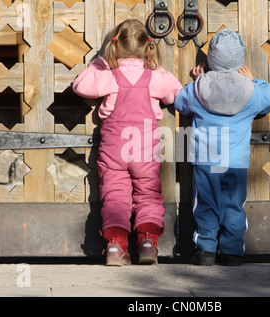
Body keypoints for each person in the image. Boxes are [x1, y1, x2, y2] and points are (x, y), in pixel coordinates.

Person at [73, 19, 182, 266]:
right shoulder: (154, 77)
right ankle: (146, 243)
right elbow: (177, 92)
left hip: (114, 149)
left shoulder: (108, 75)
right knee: (148, 195)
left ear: (114, 48)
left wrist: (99, 63)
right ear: (147, 49)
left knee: (115, 196)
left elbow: (80, 85)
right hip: (144, 148)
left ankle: (115, 246)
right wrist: (158, 69)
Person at [174, 28, 270, 266]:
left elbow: (180, 102)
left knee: (205, 203)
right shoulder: (251, 91)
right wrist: (253, 80)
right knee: (233, 204)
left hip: (207, 159)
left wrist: (198, 79)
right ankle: (232, 250)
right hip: (235, 160)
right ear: (240, 60)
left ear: (210, 59)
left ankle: (206, 249)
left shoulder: (199, 88)